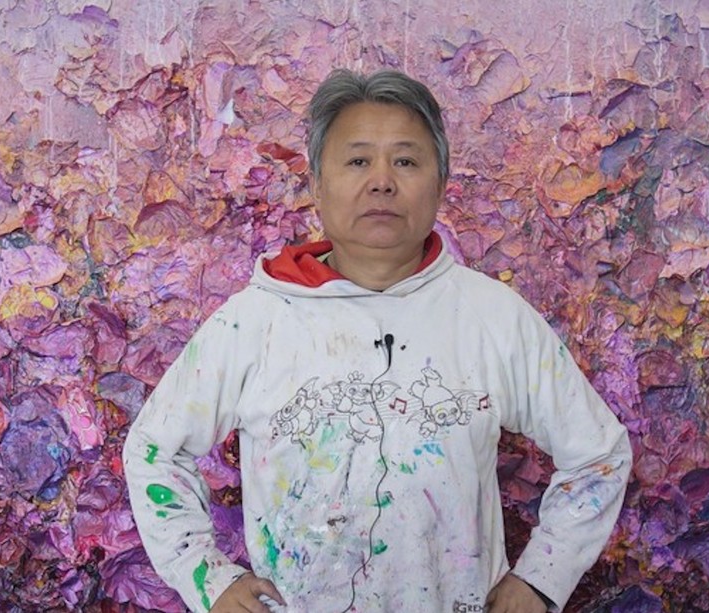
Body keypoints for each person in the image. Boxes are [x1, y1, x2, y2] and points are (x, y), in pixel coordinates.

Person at [123, 68, 632, 613]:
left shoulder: (493, 317)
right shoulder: (254, 321)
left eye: (406, 161)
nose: (382, 182)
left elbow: (599, 453)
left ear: (440, 183)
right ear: (317, 184)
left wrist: (540, 579)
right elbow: (154, 451)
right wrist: (206, 576)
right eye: (358, 161)